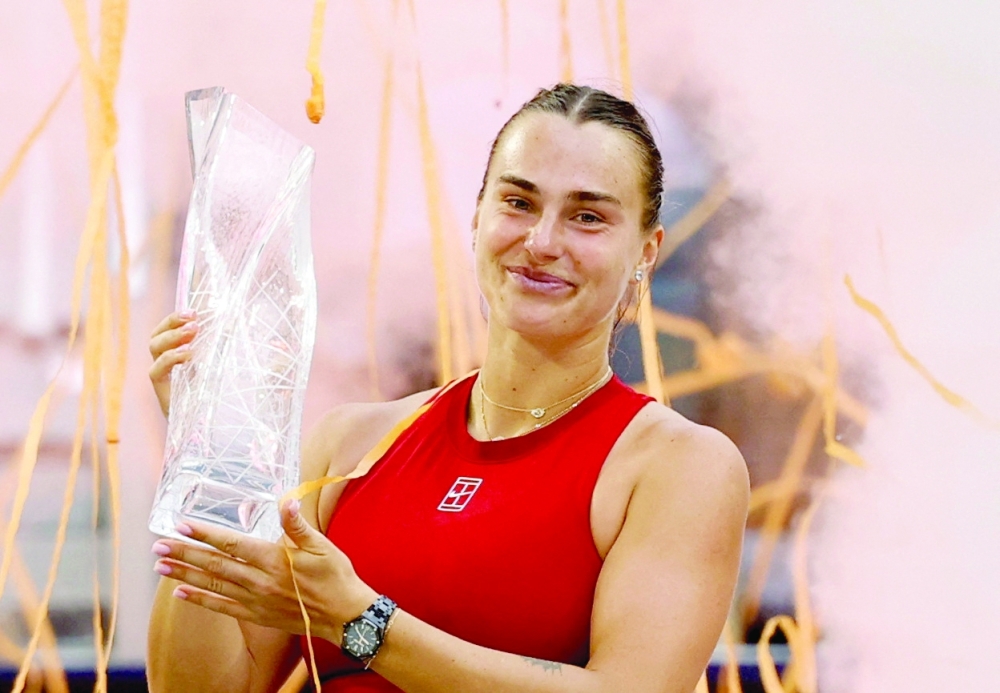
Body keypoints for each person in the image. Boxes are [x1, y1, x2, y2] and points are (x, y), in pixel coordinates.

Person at [146, 83, 749, 693]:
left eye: (587, 216)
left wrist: (359, 621)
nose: (541, 242)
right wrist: (210, 452)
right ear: (478, 216)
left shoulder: (679, 467)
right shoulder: (350, 447)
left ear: (645, 251)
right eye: (518, 202)